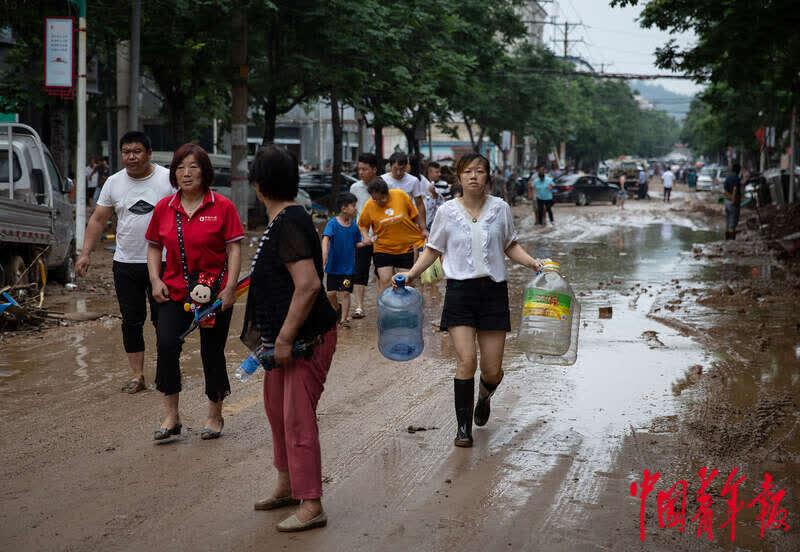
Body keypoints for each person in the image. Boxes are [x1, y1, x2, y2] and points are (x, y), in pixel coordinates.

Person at [396, 153, 542, 447]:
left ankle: (485, 396)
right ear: (459, 177)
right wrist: (411, 274)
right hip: (460, 292)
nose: (474, 176)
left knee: (492, 369)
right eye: (468, 172)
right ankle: (463, 429)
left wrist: (534, 264)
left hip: (493, 293)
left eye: (480, 171)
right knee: (466, 360)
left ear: (488, 176)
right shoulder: (447, 212)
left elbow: (510, 244)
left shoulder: (500, 208)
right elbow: (433, 249)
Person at [242, 145, 338, 532]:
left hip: (303, 339)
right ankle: (286, 485)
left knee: (297, 418)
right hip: (279, 342)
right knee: (276, 413)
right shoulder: (283, 219)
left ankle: (312, 502)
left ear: (258, 185)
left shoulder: (291, 222)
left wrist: (283, 338)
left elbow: (308, 285)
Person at [145, 144, 243, 441]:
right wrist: (154, 279)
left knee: (211, 352)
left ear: (205, 171)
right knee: (166, 345)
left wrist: (230, 289)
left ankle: (214, 416)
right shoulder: (165, 207)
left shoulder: (223, 206)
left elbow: (234, 248)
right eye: (180, 168)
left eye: (193, 167)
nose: (186, 173)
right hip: (173, 291)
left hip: (214, 295)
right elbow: (153, 246)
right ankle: (171, 417)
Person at [76, 131, 173, 394]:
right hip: (126, 262)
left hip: (163, 263)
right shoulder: (113, 183)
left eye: (137, 151)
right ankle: (137, 375)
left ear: (148, 153)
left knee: (164, 321)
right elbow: (98, 220)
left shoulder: (167, 180)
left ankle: (166, 373)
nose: (131, 157)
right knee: (131, 321)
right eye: (126, 152)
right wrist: (86, 253)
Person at [358, 177, 425, 294]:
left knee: (407, 281)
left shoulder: (401, 196)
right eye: (375, 199)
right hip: (382, 249)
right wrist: (366, 237)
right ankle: (385, 310)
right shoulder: (370, 204)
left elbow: (415, 215)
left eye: (380, 199)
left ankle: (405, 309)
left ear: (386, 193)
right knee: (386, 281)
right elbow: (363, 225)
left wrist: (423, 229)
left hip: (405, 248)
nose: (377, 202)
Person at [322, 192, 366, 328]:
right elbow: (325, 238)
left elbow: (357, 243)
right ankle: (337, 309)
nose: (356, 208)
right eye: (353, 206)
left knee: (345, 292)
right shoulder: (332, 223)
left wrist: (366, 243)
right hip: (333, 267)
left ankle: (344, 319)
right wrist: (324, 253)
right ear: (344, 208)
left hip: (348, 269)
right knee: (330, 294)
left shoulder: (354, 226)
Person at [349, 153, 378, 319]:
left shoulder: (385, 185)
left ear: (374, 169)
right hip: (361, 236)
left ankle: (383, 305)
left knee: (383, 273)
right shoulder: (355, 188)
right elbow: (353, 212)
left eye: (364, 169)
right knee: (359, 272)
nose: (361, 172)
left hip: (381, 237)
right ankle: (359, 307)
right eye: (359, 169)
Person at [381, 151, 427, 237]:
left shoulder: (413, 181)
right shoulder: (383, 180)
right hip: (387, 220)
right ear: (390, 166)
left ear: (406, 167)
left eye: (401, 169)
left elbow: (420, 204)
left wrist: (423, 228)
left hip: (407, 221)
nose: (398, 172)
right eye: (395, 169)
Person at [723, 163, 743, 240]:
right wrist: (733, 199)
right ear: (738, 170)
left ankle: (726, 239)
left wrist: (729, 198)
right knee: (733, 222)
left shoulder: (728, 177)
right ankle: (731, 241)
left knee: (728, 221)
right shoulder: (736, 178)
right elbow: (735, 189)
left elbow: (724, 191)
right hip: (733, 203)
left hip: (726, 201)